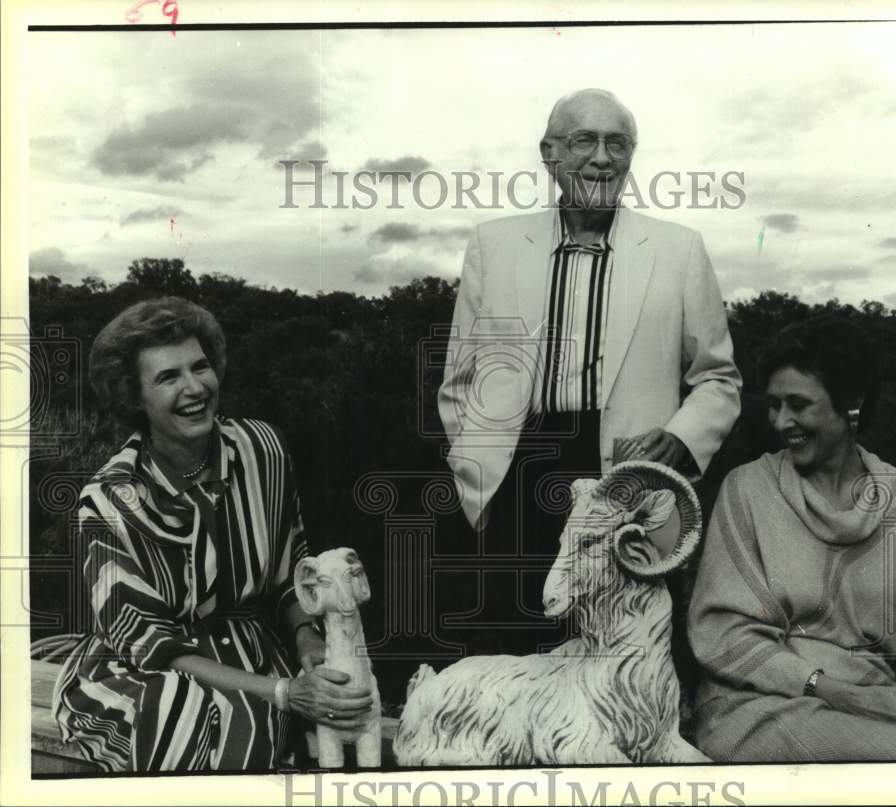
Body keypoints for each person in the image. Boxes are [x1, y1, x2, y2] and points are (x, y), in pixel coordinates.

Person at [437, 88, 741, 654]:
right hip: (515, 473)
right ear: (550, 153)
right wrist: (473, 461)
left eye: (616, 144)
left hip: (627, 481)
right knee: (511, 663)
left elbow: (718, 379)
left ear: (631, 156)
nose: (601, 158)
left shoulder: (679, 251)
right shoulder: (493, 245)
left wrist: (678, 438)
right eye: (584, 141)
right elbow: (460, 379)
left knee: (615, 658)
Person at [52, 297, 374, 772]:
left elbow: (291, 569)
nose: (194, 387)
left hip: (251, 654)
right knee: (176, 712)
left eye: (199, 367)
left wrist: (307, 637)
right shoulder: (106, 501)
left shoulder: (264, 449)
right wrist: (282, 692)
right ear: (134, 397)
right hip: (144, 671)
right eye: (167, 377)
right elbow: (150, 645)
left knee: (264, 719)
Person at [687, 316, 896, 761]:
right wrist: (838, 691)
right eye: (773, 404)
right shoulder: (747, 489)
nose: (782, 421)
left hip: (878, 704)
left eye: (799, 405)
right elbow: (726, 637)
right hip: (759, 708)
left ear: (851, 403)